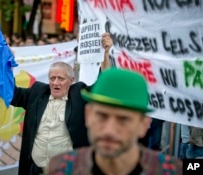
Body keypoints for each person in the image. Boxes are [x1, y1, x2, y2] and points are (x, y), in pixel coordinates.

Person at [10, 33, 113, 175]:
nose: (55, 83)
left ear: (71, 80)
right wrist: (6, 63)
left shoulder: (79, 95)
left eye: (60, 78)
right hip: (35, 170)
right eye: (52, 78)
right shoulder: (37, 93)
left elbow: (104, 86)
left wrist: (105, 54)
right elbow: (11, 94)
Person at [47, 68, 182, 175]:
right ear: (88, 115)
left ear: (144, 125)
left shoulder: (171, 170)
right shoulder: (62, 168)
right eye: (101, 116)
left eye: (123, 120)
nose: (109, 130)